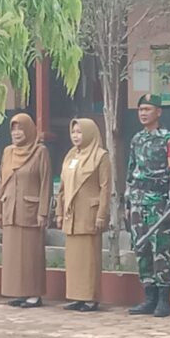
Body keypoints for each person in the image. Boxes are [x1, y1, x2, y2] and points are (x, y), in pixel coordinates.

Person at [126, 94, 170, 318]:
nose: (143, 113)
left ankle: (164, 299)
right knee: (142, 249)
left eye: (148, 109)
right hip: (138, 201)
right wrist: (128, 202)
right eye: (140, 109)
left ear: (158, 112)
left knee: (161, 249)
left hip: (159, 201)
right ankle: (149, 296)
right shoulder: (136, 139)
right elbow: (131, 172)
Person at [0, 113, 52, 308]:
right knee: (13, 255)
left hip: (30, 210)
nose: (17, 133)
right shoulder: (8, 152)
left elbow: (46, 184)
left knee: (30, 255)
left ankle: (33, 294)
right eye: (13, 129)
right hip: (10, 207)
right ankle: (18, 292)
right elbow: (2, 181)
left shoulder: (39, 151)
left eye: (20, 128)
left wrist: (43, 211)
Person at [56, 118, 110, 312]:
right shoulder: (71, 155)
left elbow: (105, 188)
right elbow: (62, 188)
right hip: (72, 214)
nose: (76, 136)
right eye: (73, 132)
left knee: (89, 258)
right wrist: (59, 212)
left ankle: (90, 297)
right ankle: (76, 296)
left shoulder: (100, 156)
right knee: (74, 259)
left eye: (79, 132)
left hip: (90, 213)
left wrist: (102, 215)